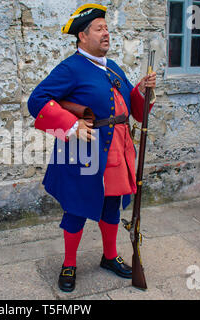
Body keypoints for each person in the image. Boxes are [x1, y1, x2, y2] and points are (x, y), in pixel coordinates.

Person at [27, 3, 156, 292]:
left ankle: (109, 257)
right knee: (76, 208)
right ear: (82, 37)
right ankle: (69, 264)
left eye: (107, 28)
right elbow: (37, 100)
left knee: (110, 205)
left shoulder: (113, 67)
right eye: (99, 29)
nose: (106, 33)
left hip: (116, 152)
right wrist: (71, 126)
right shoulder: (70, 68)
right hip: (83, 154)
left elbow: (132, 111)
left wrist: (142, 91)